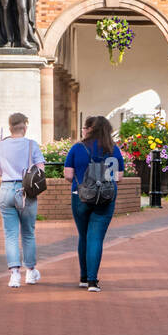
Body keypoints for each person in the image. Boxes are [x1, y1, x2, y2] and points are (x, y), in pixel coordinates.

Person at [63, 115, 124, 292]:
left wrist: (83, 182)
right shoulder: (113, 149)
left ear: (91, 129)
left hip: (80, 196)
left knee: (83, 236)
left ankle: (83, 277)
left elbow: (68, 175)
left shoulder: (78, 148)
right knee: (95, 238)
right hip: (105, 199)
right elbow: (118, 177)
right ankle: (92, 282)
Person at [0, 111, 45, 287]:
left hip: (6, 189)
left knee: (11, 235)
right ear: (25, 126)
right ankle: (30, 272)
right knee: (28, 233)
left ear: (10, 127)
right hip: (26, 191)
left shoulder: (1, 146)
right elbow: (41, 170)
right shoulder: (31, 145)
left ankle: (14, 274)